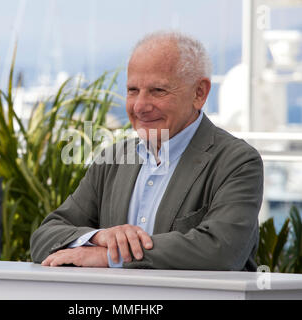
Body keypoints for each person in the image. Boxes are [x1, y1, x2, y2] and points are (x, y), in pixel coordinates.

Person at [30, 31, 264, 271]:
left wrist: (113, 257)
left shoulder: (237, 162)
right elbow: (44, 237)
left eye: (158, 91)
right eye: (132, 90)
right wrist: (98, 238)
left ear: (199, 93)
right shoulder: (113, 160)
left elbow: (222, 250)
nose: (140, 106)